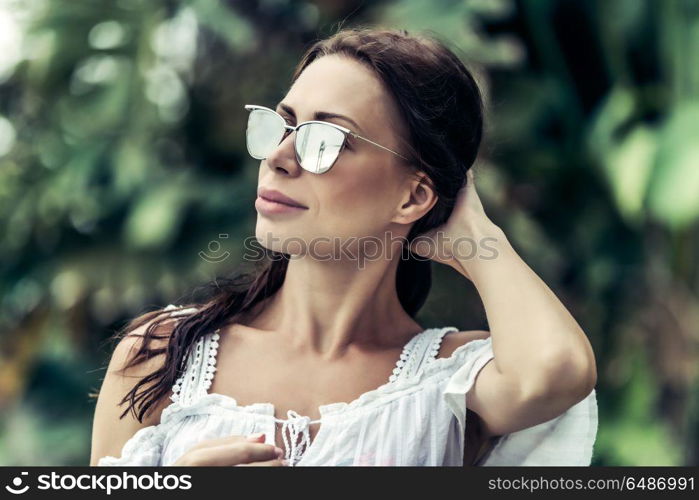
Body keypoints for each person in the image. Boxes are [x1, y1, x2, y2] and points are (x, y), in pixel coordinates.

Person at [90, 27, 598, 467]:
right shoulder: (163, 354)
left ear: (414, 195)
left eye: (323, 140)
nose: (279, 158)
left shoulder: (449, 381)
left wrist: (477, 238)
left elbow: (556, 373)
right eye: (281, 124)